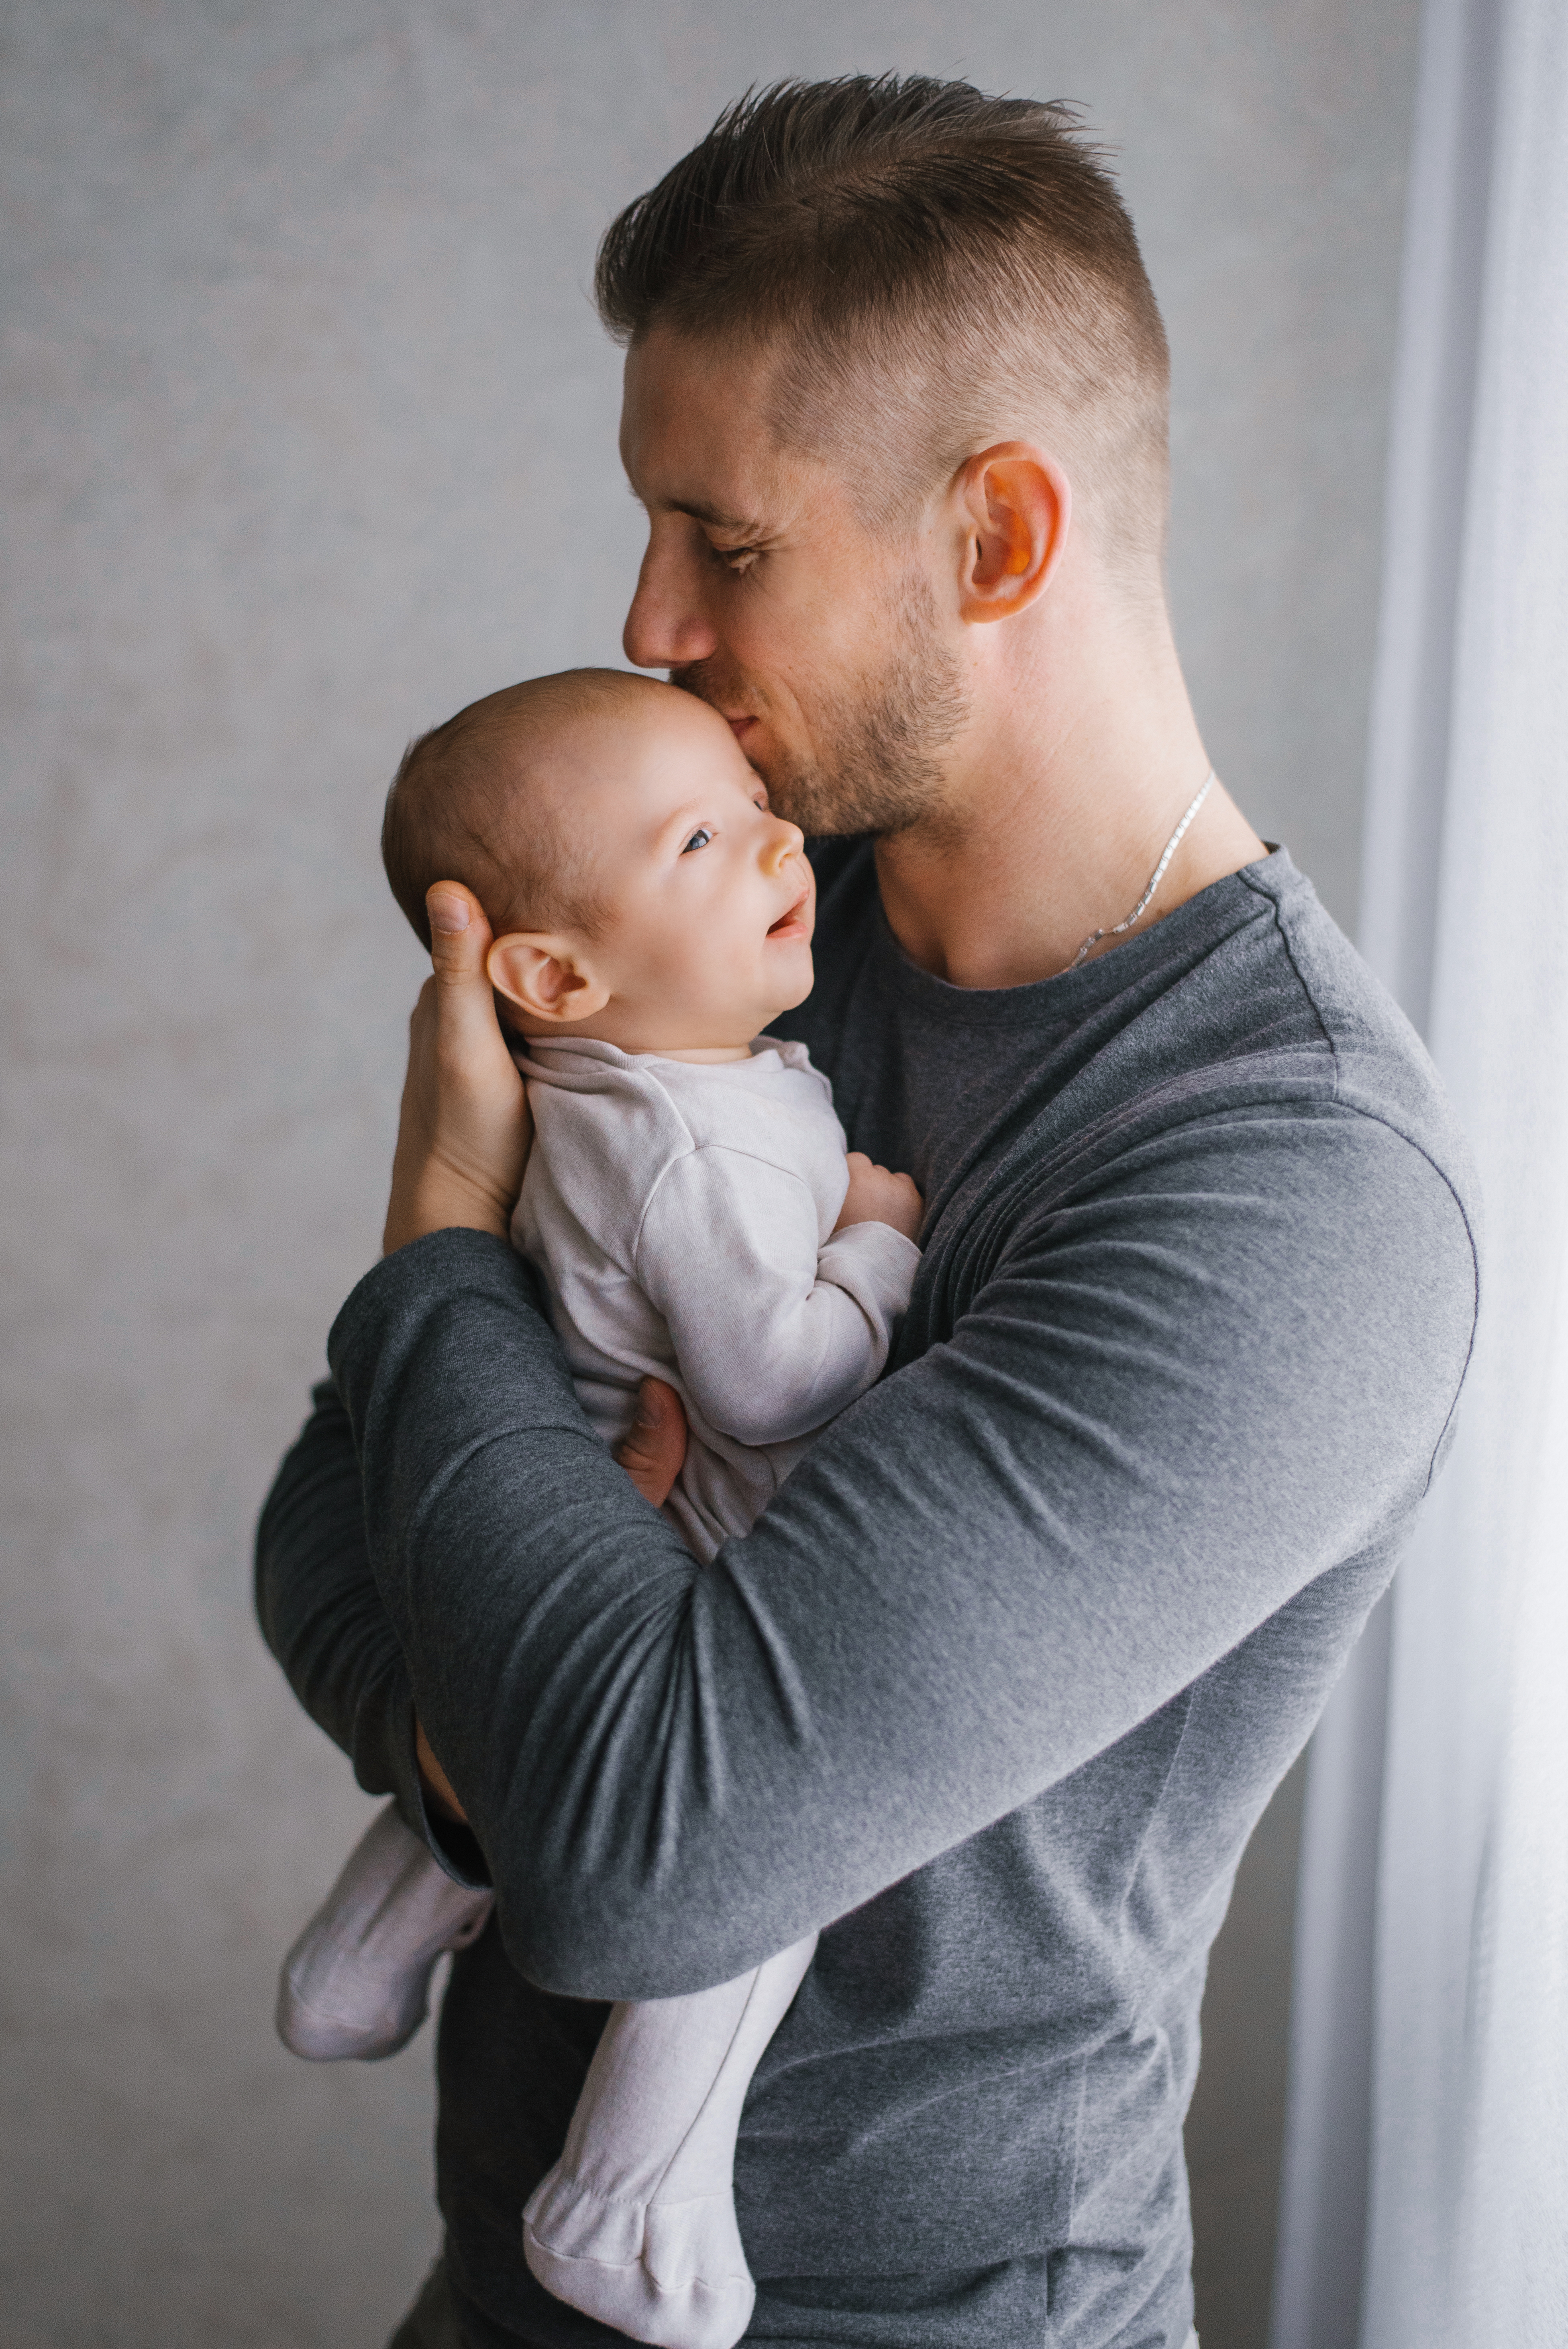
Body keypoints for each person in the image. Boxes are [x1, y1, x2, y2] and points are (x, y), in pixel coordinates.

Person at [256, 77, 1479, 2349]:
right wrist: (478, 1749)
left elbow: (652, 1855)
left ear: (996, 536)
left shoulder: (1290, 1186)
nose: (646, 623)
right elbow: (328, 1507)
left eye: (720, 544)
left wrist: (438, 1228)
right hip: (487, 2291)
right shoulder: (738, 923)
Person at [275, 669, 923, 2349]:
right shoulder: (694, 1140)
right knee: (756, 1872)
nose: (777, 840)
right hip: (698, 1535)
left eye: (749, 809)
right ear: (554, 977)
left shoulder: (600, 1095)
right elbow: (770, 1382)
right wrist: (875, 1247)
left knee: (517, 1711)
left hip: (556, 1511)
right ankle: (626, 2198)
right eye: (702, 838)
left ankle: (364, 1942)